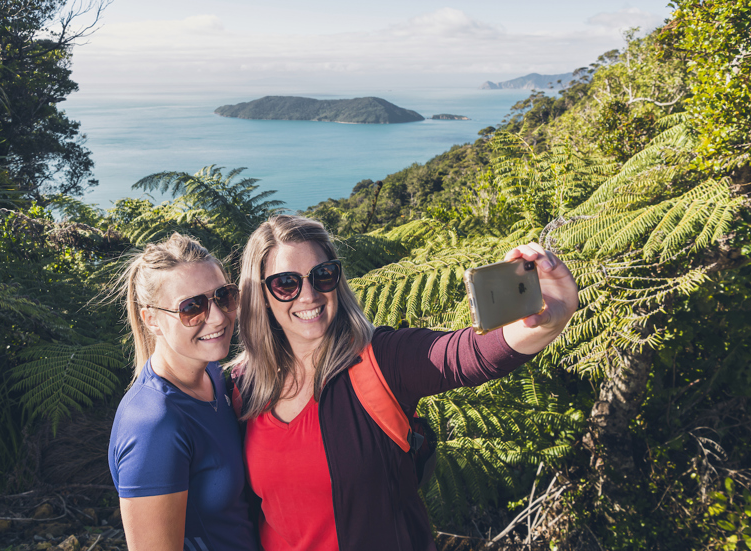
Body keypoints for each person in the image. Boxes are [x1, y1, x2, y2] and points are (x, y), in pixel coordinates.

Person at [231, 215, 579, 551]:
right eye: (286, 283)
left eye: (323, 275)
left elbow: (468, 354)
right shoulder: (239, 389)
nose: (308, 295)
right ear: (261, 294)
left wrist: (548, 320)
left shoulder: (380, 359)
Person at [108, 233, 256, 551]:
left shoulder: (214, 376)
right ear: (152, 319)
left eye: (223, 296)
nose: (217, 317)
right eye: (192, 307)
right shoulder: (153, 424)